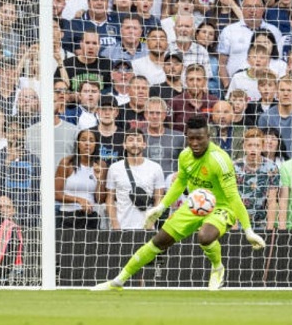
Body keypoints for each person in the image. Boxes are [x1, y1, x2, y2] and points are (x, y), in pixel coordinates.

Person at [92, 116, 265, 291]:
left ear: (208, 137)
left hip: (221, 207)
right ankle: (118, 281)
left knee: (205, 237)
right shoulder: (185, 156)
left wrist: (248, 230)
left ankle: (217, 267)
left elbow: (234, 196)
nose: (195, 143)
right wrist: (161, 207)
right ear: (186, 137)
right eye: (191, 138)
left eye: (200, 138)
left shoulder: (220, 160)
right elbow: (180, 183)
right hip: (194, 206)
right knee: (159, 241)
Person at [105, 128, 165, 231]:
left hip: (147, 228)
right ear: (124, 145)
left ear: (144, 144)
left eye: (138, 140)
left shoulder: (156, 168)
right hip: (121, 227)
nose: (135, 143)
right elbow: (110, 198)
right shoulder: (114, 168)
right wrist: (115, 224)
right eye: (131, 140)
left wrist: (151, 222)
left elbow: (159, 198)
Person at [55, 129, 107, 230]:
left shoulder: (101, 165)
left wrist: (100, 179)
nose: (87, 144)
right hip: (68, 216)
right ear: (78, 143)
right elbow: (56, 194)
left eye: (91, 141)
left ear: (96, 144)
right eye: (83, 140)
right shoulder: (67, 162)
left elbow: (100, 200)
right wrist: (79, 200)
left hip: (91, 217)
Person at [233, 128, 279, 231]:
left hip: (260, 224)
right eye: (250, 145)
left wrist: (270, 228)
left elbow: (271, 201)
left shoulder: (272, 168)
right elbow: (232, 200)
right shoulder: (235, 167)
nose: (253, 149)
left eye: (257, 145)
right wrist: (234, 229)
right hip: (238, 223)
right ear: (244, 147)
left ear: (262, 147)